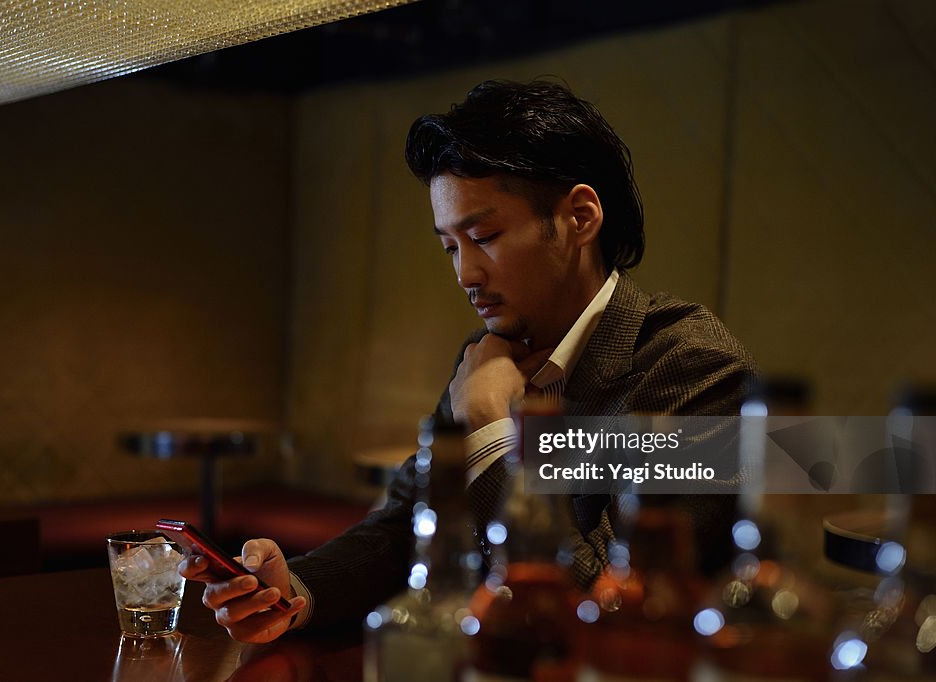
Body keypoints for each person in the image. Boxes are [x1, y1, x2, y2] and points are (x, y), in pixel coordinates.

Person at [180, 79, 756, 643]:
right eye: (450, 247)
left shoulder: (690, 366)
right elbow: (409, 520)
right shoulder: (488, 353)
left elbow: (601, 601)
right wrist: (296, 591)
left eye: (484, 235)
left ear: (580, 218)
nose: (465, 275)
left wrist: (488, 431)